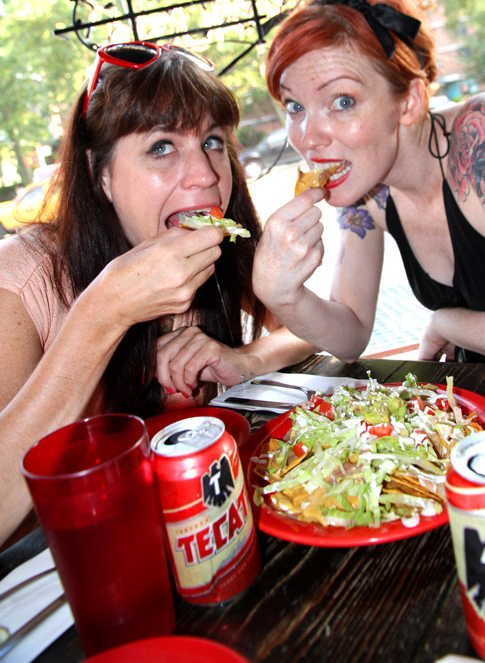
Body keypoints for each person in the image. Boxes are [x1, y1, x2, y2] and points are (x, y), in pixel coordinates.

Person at [0, 42, 314, 547]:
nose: (207, 176)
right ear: (101, 174)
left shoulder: (221, 241)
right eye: (162, 147)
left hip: (211, 527)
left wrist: (244, 357)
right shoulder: (22, 278)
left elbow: (305, 329)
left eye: (212, 141)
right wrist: (103, 312)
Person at [252, 0, 485, 367]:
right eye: (295, 106)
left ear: (410, 101)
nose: (308, 137)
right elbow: (349, 335)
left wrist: (448, 324)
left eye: (342, 101)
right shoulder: (363, 188)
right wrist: (284, 296)